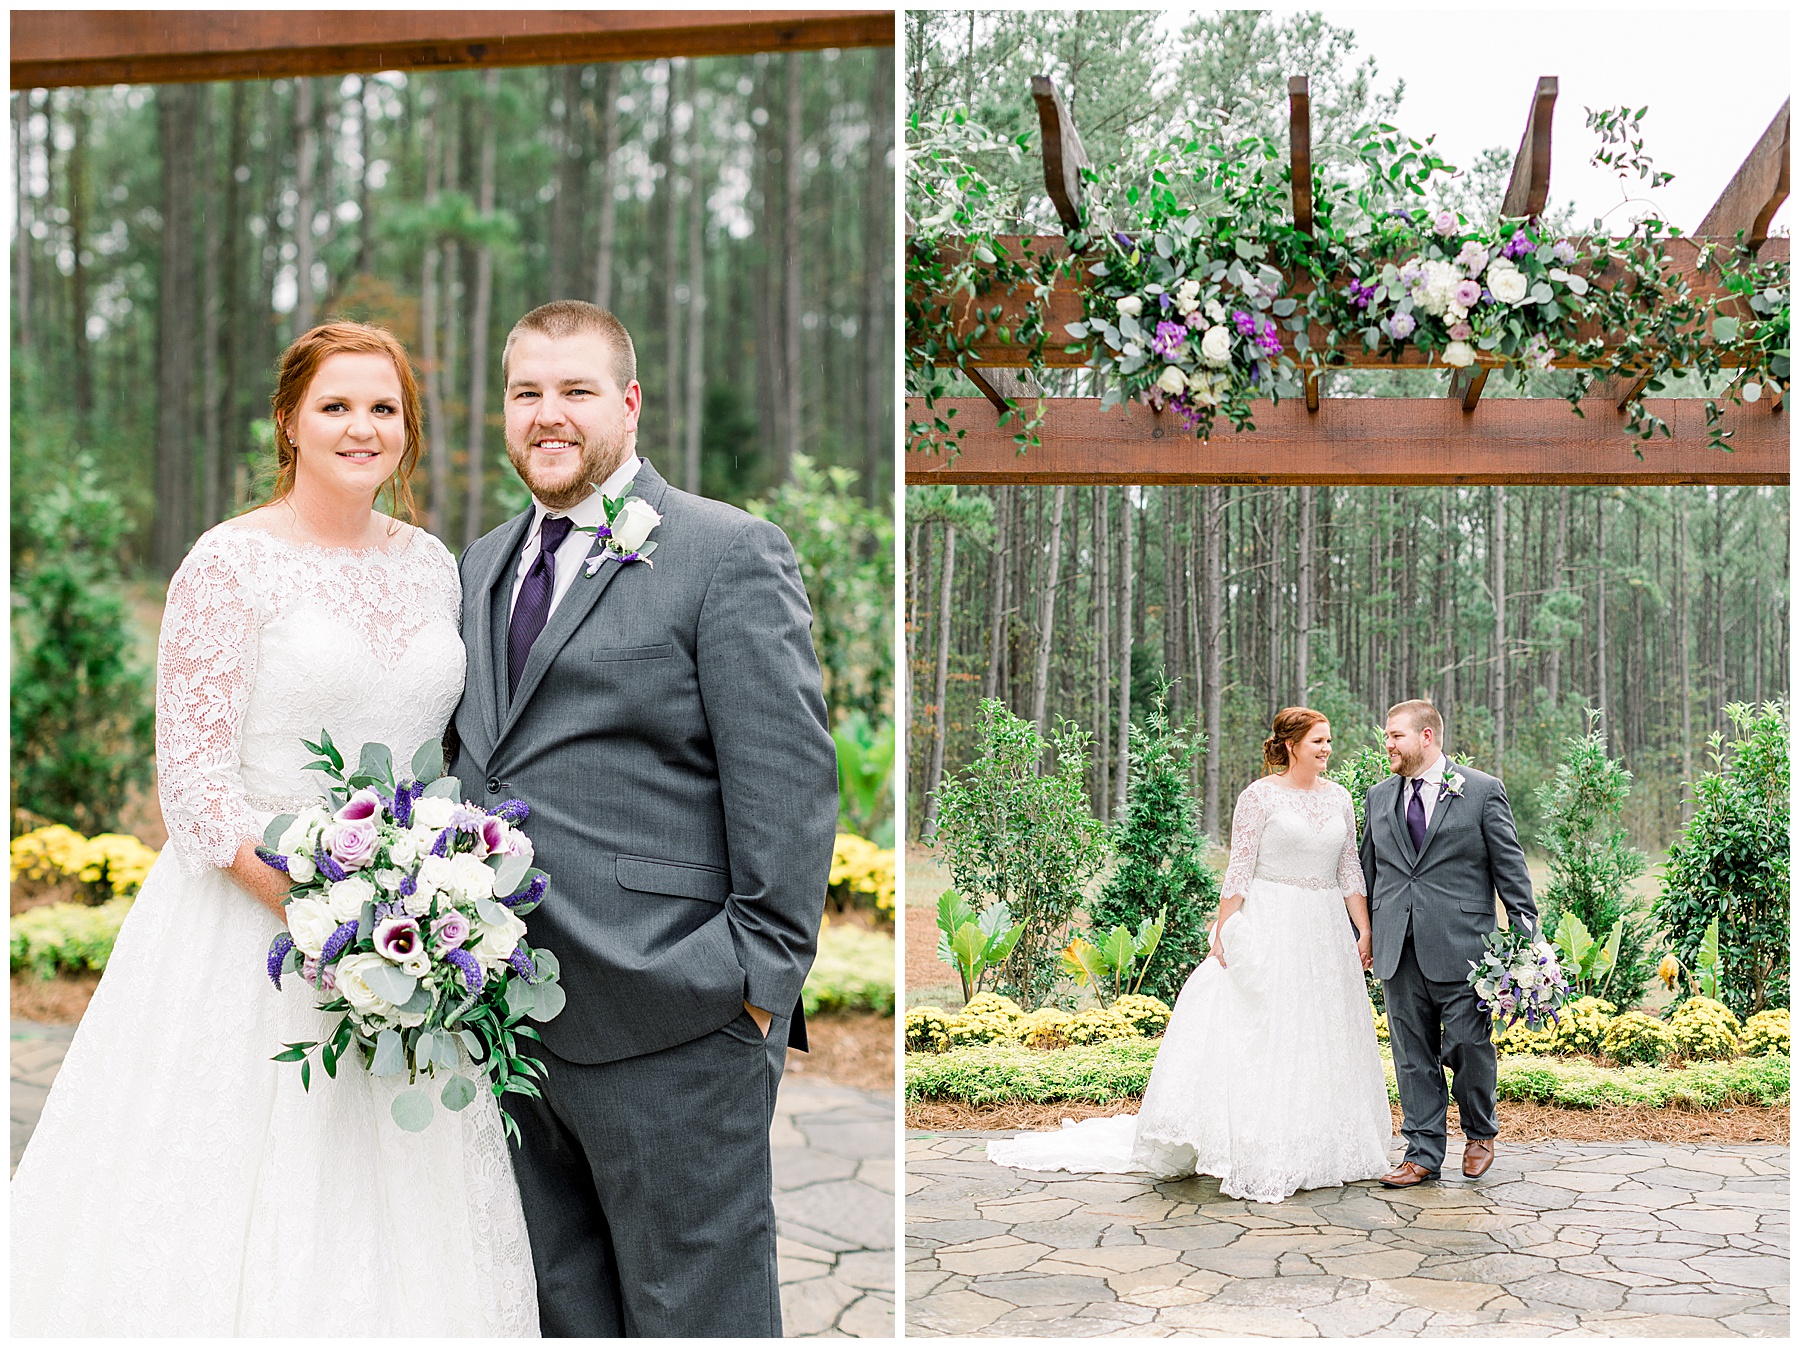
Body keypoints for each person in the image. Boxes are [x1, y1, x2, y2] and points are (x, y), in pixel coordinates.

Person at [10, 322, 537, 1335]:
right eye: (336, 405)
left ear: (408, 430)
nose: (361, 426)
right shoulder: (230, 563)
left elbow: (445, 758)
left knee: (398, 1208)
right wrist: (320, 920)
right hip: (248, 933)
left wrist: (427, 917)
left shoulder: (434, 567)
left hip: (408, 942)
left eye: (384, 408)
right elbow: (196, 787)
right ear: (289, 421)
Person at [445, 300, 837, 1338]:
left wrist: (748, 989)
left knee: (695, 1318)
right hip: (514, 1032)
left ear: (627, 402)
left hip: (677, 1021)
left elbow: (791, 791)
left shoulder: (727, 552)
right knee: (561, 1312)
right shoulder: (483, 564)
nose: (547, 414)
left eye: (574, 390)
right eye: (526, 392)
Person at [987, 707, 1392, 1204]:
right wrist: (1224, 931)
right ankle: (1259, 1143)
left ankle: (1322, 1142)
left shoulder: (1340, 799)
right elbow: (1239, 870)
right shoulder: (1259, 797)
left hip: (1325, 928)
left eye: (1329, 740)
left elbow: (1349, 869)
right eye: (1318, 742)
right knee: (1267, 1031)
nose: (1327, 749)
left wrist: (1364, 929)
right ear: (1291, 745)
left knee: (1321, 1032)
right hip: (1272, 922)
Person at [1361, 700, 1535, 1187]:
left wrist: (1524, 937)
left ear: (1427, 737)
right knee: (1410, 1053)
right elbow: (1369, 871)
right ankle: (1421, 1152)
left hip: (1465, 947)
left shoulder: (1481, 791)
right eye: (1387, 735)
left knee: (1468, 1044)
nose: (1388, 744)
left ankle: (1480, 1131)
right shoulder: (1378, 797)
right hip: (1398, 947)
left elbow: (1510, 868)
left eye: (1396, 735)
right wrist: (1365, 932)